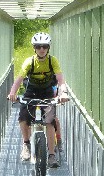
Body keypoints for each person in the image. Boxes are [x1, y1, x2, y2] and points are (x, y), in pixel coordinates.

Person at [7, 32, 68, 167]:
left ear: (48, 48)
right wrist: (12, 93)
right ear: (34, 48)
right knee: (23, 116)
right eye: (39, 46)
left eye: (45, 46)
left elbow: (60, 79)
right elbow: (18, 80)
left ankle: (52, 155)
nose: (42, 49)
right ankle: (26, 144)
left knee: (50, 121)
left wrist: (63, 92)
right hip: (31, 91)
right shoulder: (30, 62)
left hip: (47, 92)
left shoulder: (53, 61)